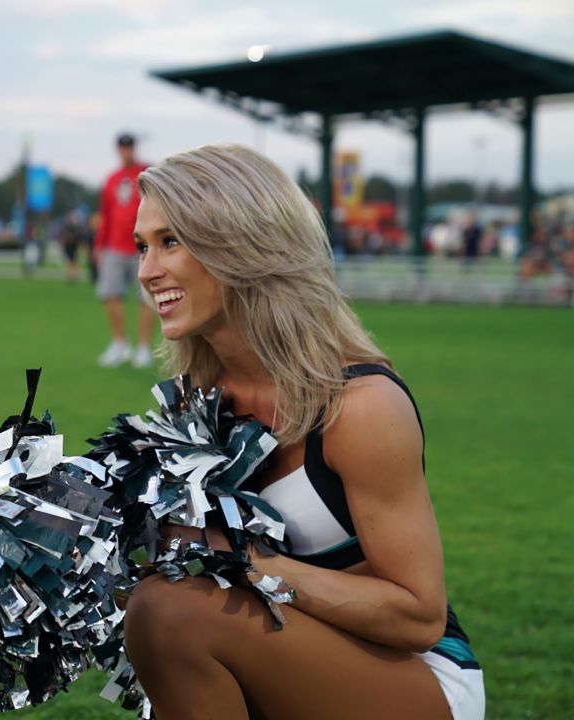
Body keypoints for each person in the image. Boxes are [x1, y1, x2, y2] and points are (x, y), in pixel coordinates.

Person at [123, 144, 483, 720]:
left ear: (240, 242)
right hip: (286, 648)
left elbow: (417, 614)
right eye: (142, 246)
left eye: (172, 242)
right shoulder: (198, 395)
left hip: (413, 676)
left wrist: (248, 565)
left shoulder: (359, 405)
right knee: (160, 612)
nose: (146, 271)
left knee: (169, 614)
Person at [95, 132, 155, 368]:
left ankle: (142, 347)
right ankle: (119, 344)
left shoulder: (147, 175)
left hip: (142, 246)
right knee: (110, 294)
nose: (126, 151)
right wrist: (100, 244)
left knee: (146, 298)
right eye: (122, 147)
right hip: (115, 246)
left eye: (129, 147)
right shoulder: (111, 179)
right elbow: (106, 215)